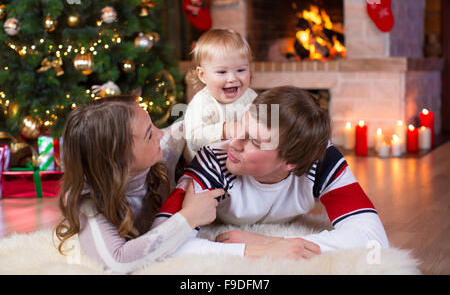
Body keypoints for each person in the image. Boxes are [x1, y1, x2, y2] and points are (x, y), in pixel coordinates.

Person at [153, 86, 389, 258]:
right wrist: (252, 251)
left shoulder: (322, 158)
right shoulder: (214, 160)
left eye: (254, 141)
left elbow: (374, 240)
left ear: (290, 163)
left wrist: (272, 242)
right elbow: (161, 243)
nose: (234, 143)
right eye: (241, 126)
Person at [54, 95, 226, 274]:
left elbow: (186, 130)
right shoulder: (88, 202)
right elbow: (117, 263)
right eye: (149, 134)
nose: (160, 133)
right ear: (117, 159)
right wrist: (189, 217)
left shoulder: (163, 148)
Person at [183, 28, 258, 161]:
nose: (232, 79)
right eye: (222, 72)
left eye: (241, 70)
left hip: (238, 161)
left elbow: (262, 125)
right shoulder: (201, 102)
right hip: (204, 165)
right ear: (203, 75)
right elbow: (194, 139)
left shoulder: (250, 97)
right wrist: (224, 130)